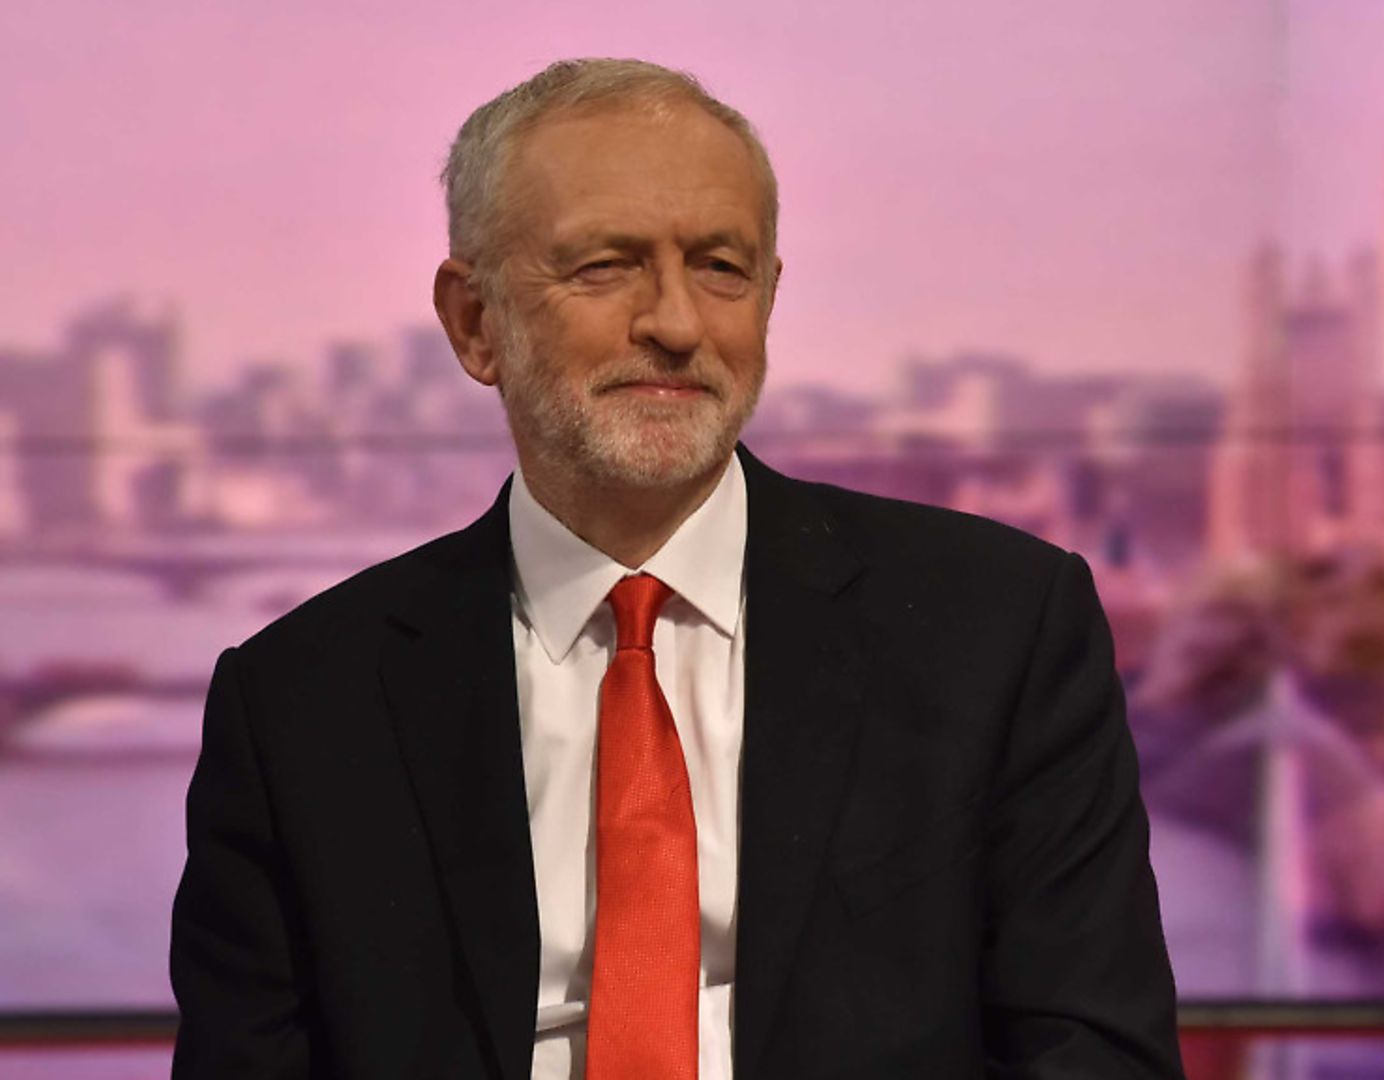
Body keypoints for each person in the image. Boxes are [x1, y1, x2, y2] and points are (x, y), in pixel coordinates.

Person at [169, 58, 1184, 1080]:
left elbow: (1097, 1054)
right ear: (476, 324)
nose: (676, 323)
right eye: (606, 266)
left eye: (720, 268)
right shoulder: (299, 705)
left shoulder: (997, 632)